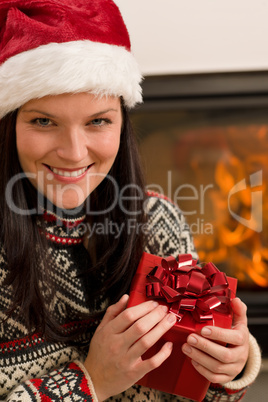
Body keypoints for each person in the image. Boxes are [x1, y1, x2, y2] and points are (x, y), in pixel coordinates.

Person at [0, 0, 261, 401]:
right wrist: (92, 381)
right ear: (9, 125)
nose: (73, 152)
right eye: (43, 121)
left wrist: (226, 365)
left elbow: (193, 391)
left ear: (122, 125)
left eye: (97, 121)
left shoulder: (158, 219)